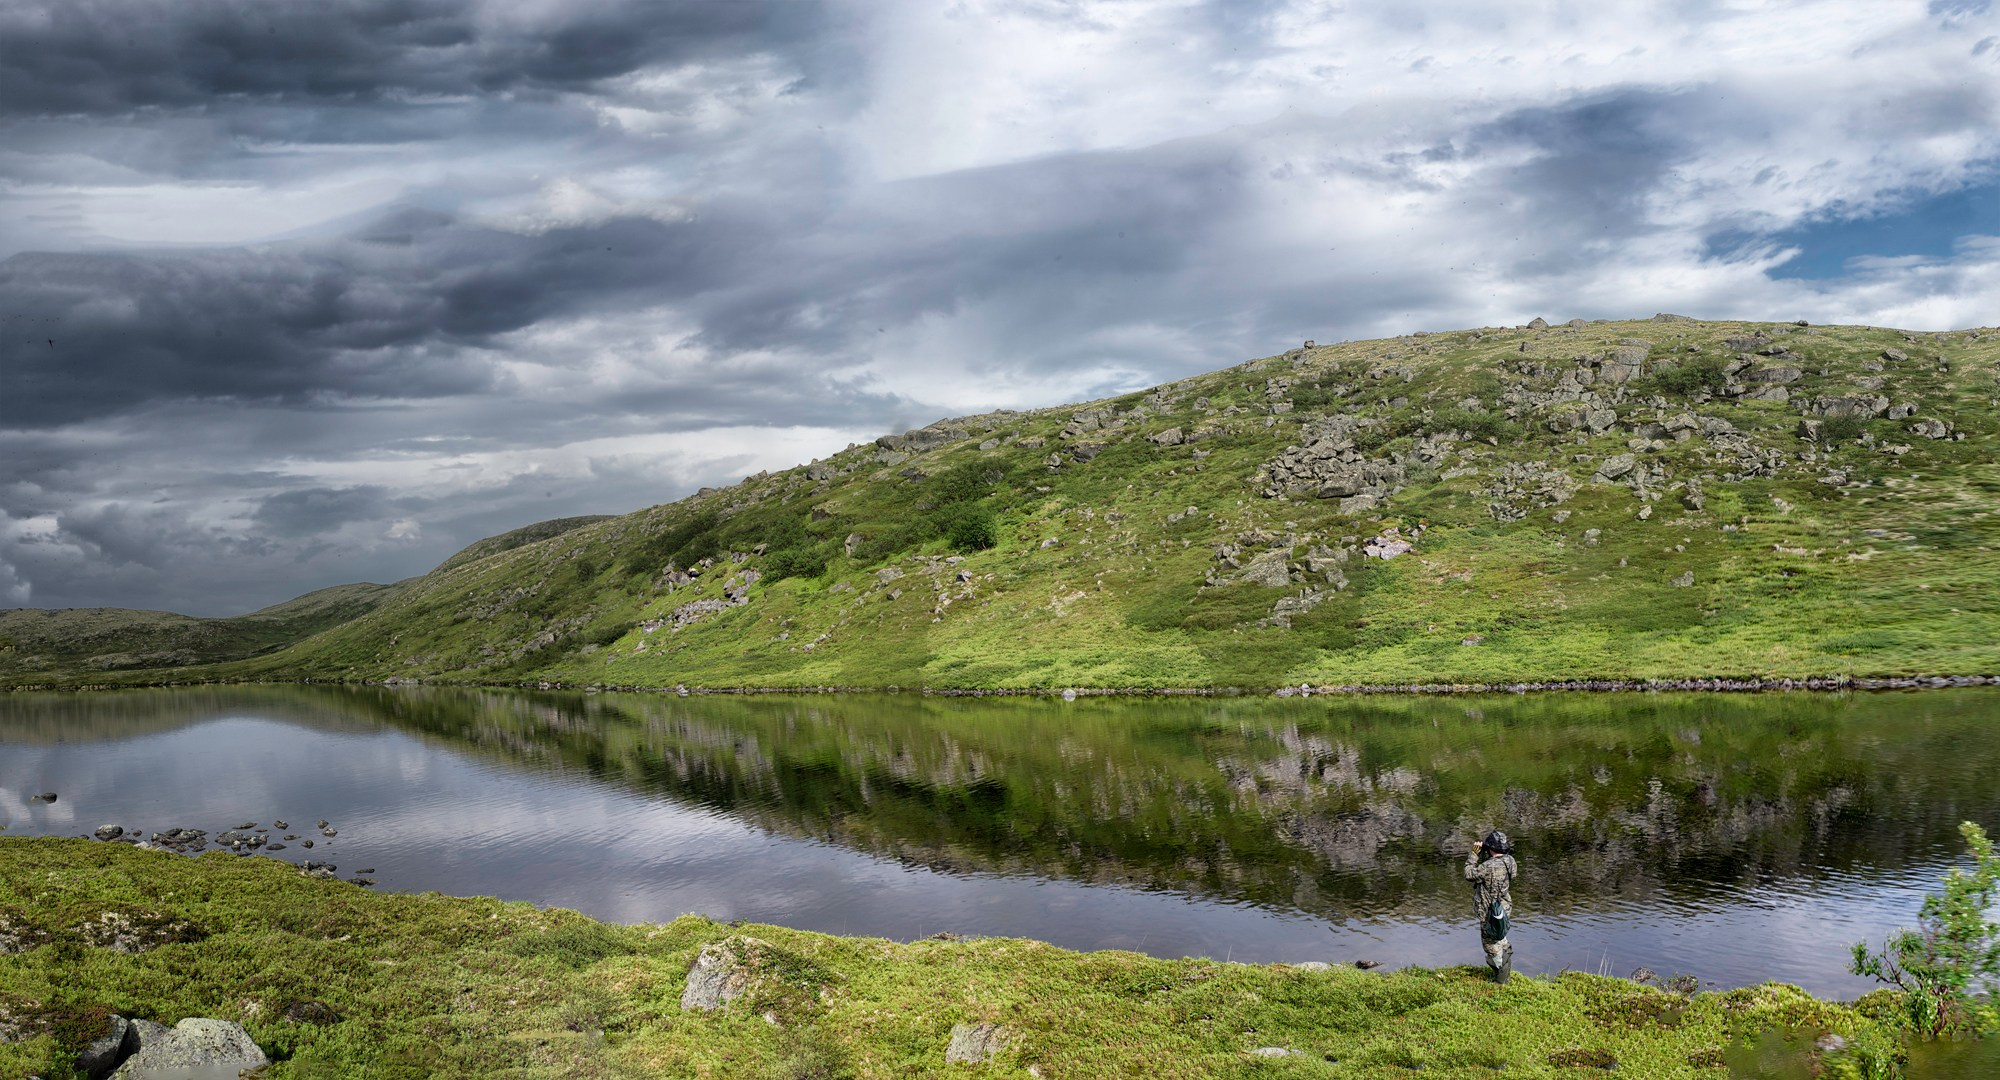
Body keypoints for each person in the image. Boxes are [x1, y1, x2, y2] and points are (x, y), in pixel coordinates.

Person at [1465, 830, 1517, 982]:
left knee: (1490, 945)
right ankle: (1505, 971)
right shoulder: (1511, 862)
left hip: (1489, 912)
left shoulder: (1486, 867)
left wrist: (1474, 854)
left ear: (1490, 848)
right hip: (1504, 908)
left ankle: (1501, 980)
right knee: (1501, 937)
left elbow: (1469, 873)